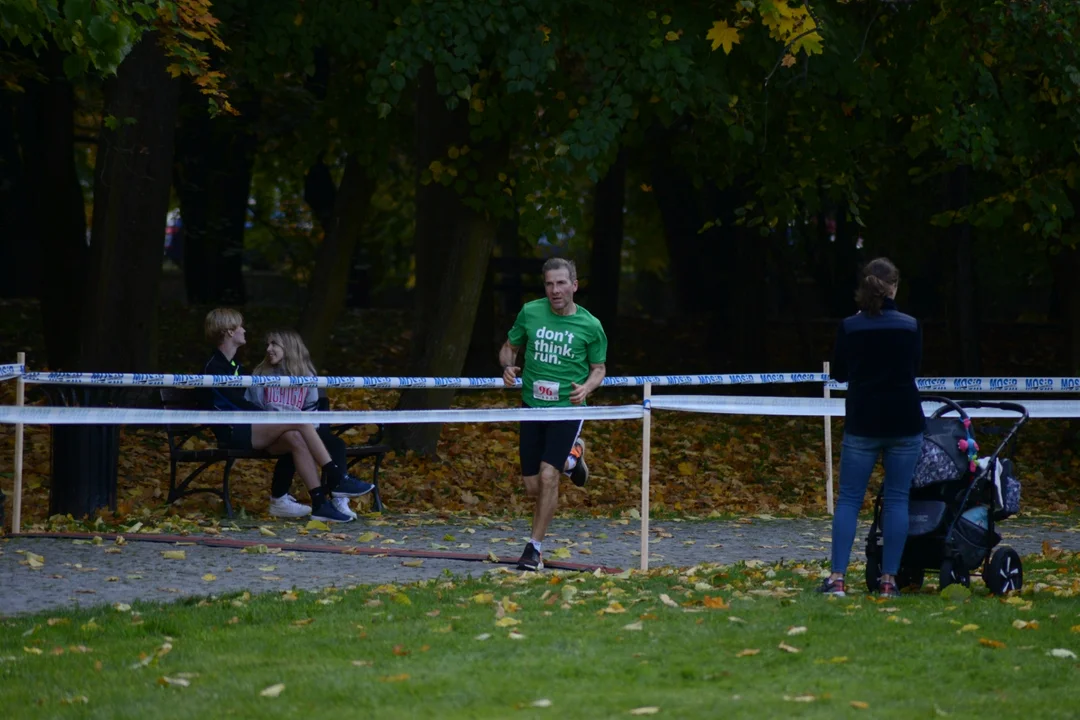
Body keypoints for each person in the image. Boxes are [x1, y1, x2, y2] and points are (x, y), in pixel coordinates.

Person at [201, 308, 372, 523]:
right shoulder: (214, 367)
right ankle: (338, 478)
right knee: (297, 421)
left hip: (254, 429)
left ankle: (319, 503)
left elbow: (247, 403)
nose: (244, 330)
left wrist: (272, 417)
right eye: (239, 326)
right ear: (228, 332)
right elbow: (237, 405)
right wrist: (273, 417)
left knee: (295, 437)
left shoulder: (235, 366)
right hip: (235, 432)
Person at [819, 258, 925, 598]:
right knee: (897, 500)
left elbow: (838, 373)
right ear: (894, 287)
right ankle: (889, 581)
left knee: (849, 499)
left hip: (863, 420)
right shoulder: (910, 326)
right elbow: (915, 368)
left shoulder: (850, 327)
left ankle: (837, 578)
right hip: (905, 420)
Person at [499, 258, 607, 571]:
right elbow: (509, 347)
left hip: (567, 409)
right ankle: (573, 457)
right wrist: (508, 367)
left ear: (574, 285)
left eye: (561, 283)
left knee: (549, 476)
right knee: (533, 486)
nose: (555, 290)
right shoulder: (530, 312)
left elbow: (599, 368)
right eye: (549, 284)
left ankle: (534, 549)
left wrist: (586, 387)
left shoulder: (590, 325)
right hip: (532, 408)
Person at [246, 329, 358, 520]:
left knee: (324, 442)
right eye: (268, 344)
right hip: (267, 432)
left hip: (297, 432)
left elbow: (312, 409)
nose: (268, 349)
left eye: (274, 344)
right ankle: (337, 481)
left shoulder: (307, 376)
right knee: (296, 429)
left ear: (289, 348)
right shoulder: (260, 375)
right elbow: (253, 409)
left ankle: (327, 500)